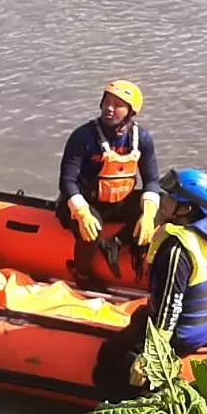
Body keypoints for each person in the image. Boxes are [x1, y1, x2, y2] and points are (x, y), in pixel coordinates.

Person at [56, 80, 161, 287]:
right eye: (107, 102)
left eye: (118, 104)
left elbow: (152, 180)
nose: (109, 108)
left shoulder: (142, 139)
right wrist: (82, 211)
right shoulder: (83, 137)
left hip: (117, 202)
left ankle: (115, 243)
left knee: (162, 205)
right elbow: (67, 181)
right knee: (92, 227)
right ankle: (82, 273)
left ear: (131, 112)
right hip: (86, 204)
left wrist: (148, 214)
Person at [145, 167, 207, 354]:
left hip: (181, 336)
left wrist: (153, 353)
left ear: (186, 209)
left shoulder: (176, 249)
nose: (164, 200)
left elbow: (170, 306)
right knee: (139, 318)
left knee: (114, 352)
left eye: (171, 198)